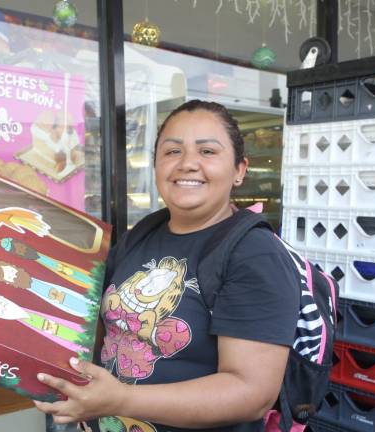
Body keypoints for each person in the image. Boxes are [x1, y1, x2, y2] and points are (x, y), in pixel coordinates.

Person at [34, 99, 300, 432]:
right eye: (172, 151)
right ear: (156, 165)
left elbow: (251, 392)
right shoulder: (143, 234)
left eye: (207, 152)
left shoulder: (254, 254)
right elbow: (94, 324)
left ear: (239, 171)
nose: (188, 163)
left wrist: (119, 400)